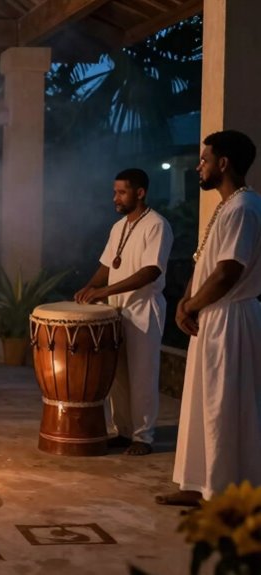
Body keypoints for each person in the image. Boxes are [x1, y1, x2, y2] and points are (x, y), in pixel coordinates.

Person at [157, 130, 261, 506]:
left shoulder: (244, 207)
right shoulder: (228, 205)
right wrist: (187, 300)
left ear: (224, 163)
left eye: (204, 159)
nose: (198, 166)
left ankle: (221, 493)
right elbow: (205, 263)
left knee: (222, 405)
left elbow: (228, 271)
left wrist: (191, 306)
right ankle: (196, 482)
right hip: (213, 318)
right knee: (202, 404)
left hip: (230, 319)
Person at [75, 168, 173, 457]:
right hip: (117, 311)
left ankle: (144, 436)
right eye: (115, 191)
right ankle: (124, 431)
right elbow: (108, 265)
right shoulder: (118, 227)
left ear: (139, 192)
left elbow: (151, 271)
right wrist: (89, 287)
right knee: (117, 375)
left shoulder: (157, 225)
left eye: (121, 192)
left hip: (144, 310)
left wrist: (103, 292)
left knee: (142, 374)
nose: (115, 197)